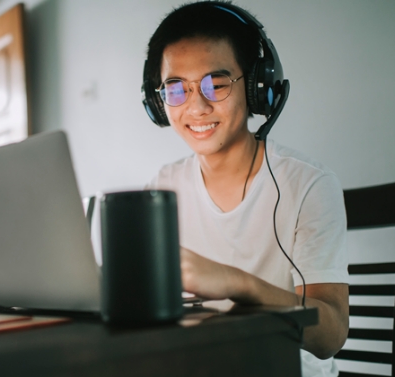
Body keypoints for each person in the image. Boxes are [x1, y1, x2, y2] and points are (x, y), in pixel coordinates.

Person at [142, 2, 349, 376]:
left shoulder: (310, 184)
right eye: (177, 89)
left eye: (216, 84)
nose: (197, 106)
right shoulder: (162, 186)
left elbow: (331, 334)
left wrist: (236, 283)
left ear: (257, 87)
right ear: (158, 102)